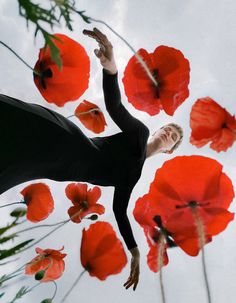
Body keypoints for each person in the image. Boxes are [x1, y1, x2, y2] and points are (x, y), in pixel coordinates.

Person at [0, 28, 183, 291]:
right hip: (64, 138)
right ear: (157, 130)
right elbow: (115, 107)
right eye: (168, 128)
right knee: (14, 120)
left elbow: (120, 211)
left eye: (173, 137)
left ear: (170, 150)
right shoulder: (140, 134)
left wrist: (134, 251)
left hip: (53, 166)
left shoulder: (133, 175)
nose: (168, 133)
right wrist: (111, 68)